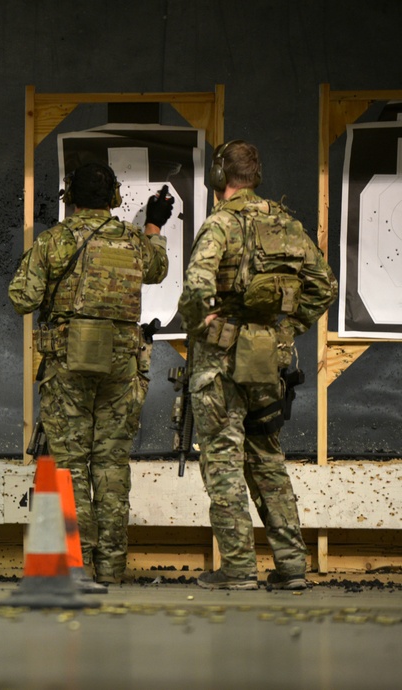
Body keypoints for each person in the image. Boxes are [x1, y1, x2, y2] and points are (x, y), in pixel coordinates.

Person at [178, 140, 337, 591]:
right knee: (268, 460)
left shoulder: (221, 224)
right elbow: (325, 286)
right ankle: (292, 567)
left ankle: (239, 568)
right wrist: (287, 331)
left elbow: (195, 289)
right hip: (269, 360)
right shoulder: (287, 223)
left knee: (224, 462)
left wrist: (202, 322)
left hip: (220, 363)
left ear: (218, 175)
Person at [8, 162, 173, 585]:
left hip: (68, 366)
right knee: (112, 462)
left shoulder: (54, 241)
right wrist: (153, 225)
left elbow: (22, 298)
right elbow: (158, 269)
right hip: (122, 364)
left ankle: (76, 565)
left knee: (69, 465)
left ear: (70, 198)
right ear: (115, 197)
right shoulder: (135, 241)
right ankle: (113, 567)